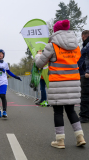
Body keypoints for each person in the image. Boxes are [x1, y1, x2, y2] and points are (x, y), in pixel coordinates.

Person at [35, 19, 86, 149]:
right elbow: (78, 61)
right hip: (73, 82)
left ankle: (60, 141)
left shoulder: (52, 45)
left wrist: (38, 56)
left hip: (58, 83)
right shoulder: (76, 46)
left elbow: (40, 64)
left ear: (56, 31)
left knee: (58, 112)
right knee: (71, 110)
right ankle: (80, 137)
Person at [0, 49, 21, 118]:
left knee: (2, 95)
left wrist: (15, 76)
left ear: (3, 56)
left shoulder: (5, 64)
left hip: (3, 81)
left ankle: (4, 111)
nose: (0, 55)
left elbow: (8, 72)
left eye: (2, 54)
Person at [77, 30, 89, 123]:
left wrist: (87, 71)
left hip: (86, 73)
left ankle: (84, 116)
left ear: (83, 36)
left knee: (85, 95)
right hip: (84, 72)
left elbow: (87, 59)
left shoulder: (87, 45)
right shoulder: (86, 45)